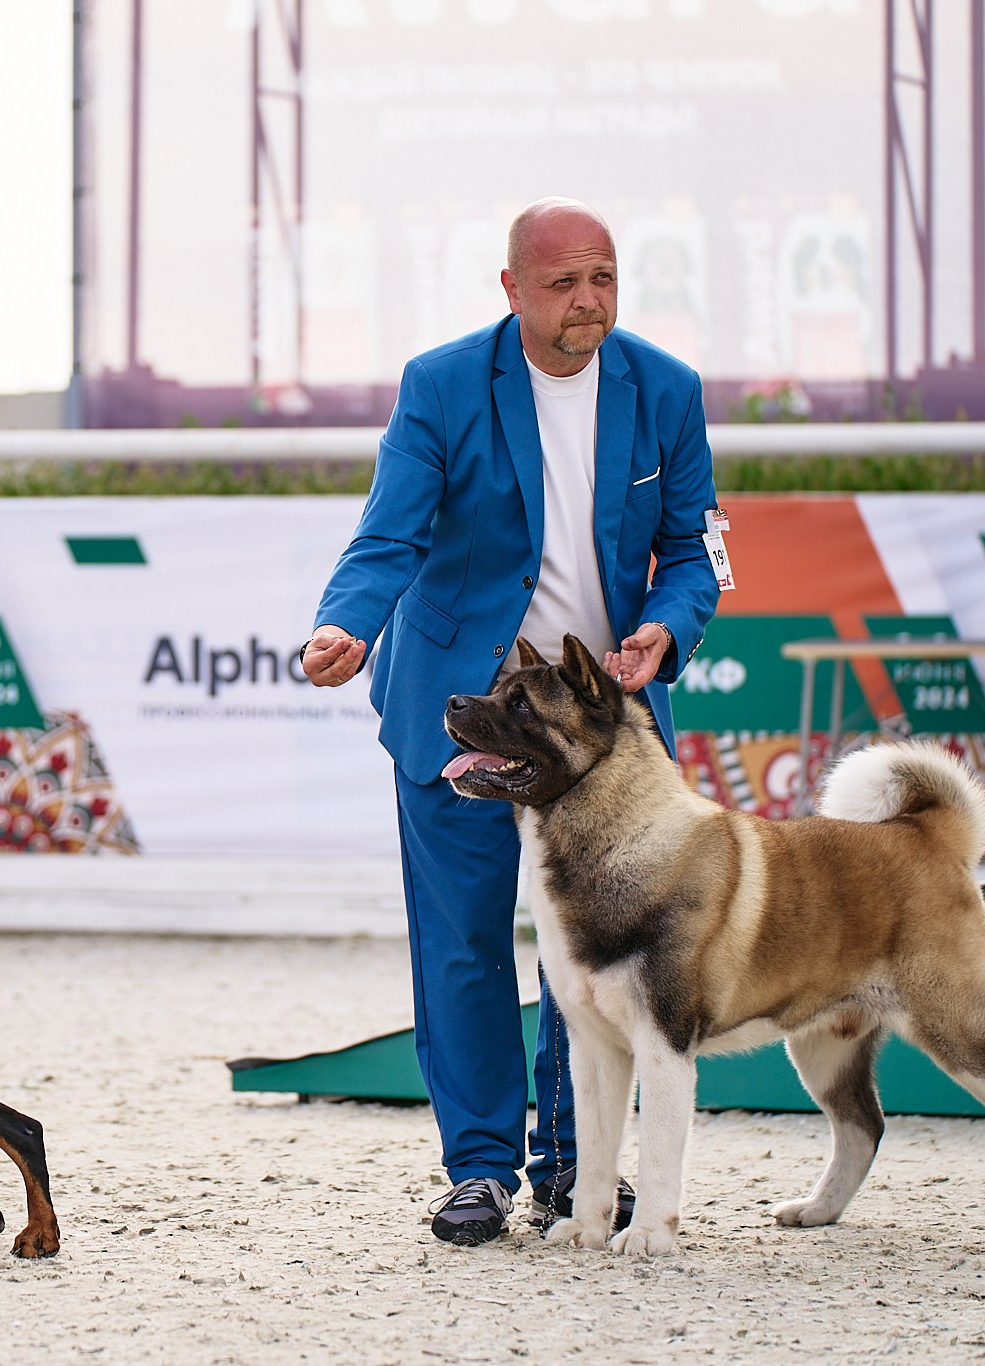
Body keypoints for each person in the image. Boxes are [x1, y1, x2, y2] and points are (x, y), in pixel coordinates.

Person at [303, 198, 721, 1245]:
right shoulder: (441, 385)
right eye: (562, 282)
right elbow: (387, 535)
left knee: (581, 956)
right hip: (460, 706)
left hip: (597, 741)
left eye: (603, 278)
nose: (587, 300)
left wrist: (664, 628)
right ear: (510, 290)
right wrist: (343, 626)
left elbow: (693, 548)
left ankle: (574, 1170)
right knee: (462, 946)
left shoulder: (665, 389)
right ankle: (480, 1169)